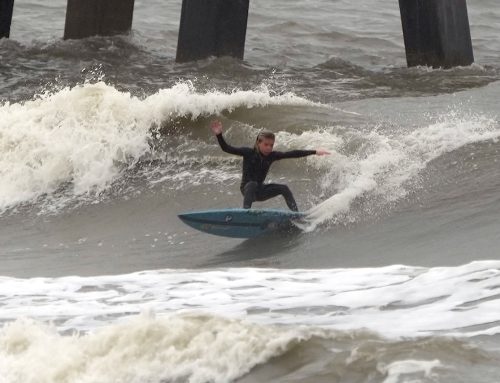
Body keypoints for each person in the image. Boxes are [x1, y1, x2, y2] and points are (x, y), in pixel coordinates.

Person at [210, 120, 330, 211]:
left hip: (261, 191)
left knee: (284, 188)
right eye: (266, 144)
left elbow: (292, 154)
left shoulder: (272, 156)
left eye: (271, 145)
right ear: (258, 143)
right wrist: (219, 135)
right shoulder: (248, 153)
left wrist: (315, 152)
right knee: (252, 184)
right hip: (247, 191)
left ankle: (296, 214)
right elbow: (227, 148)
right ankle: (245, 213)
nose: (269, 148)